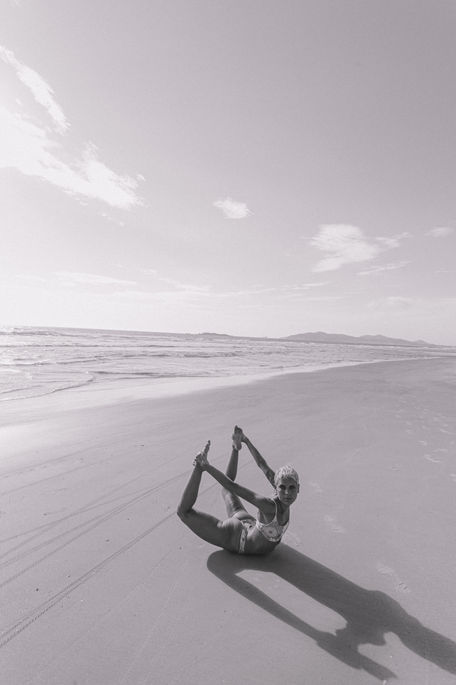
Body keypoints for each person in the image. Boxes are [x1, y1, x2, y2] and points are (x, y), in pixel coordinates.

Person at [177, 426, 299, 555]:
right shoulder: (268, 506)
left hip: (247, 522)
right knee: (183, 512)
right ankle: (198, 467)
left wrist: (245, 440)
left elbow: (262, 465)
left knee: (227, 490)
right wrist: (206, 467)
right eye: (282, 488)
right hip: (234, 537)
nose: (287, 493)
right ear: (277, 487)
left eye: (291, 488)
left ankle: (235, 448)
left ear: (298, 488)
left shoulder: (281, 490)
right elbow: (232, 486)